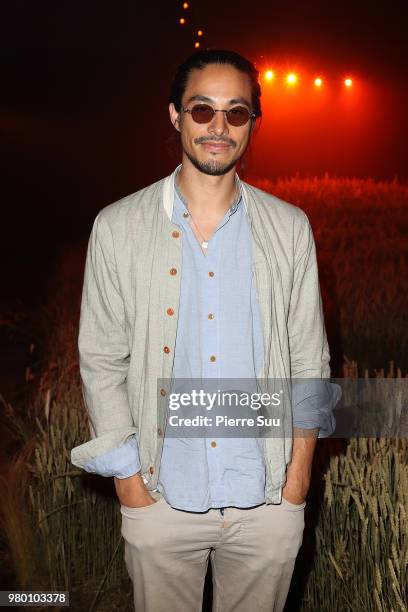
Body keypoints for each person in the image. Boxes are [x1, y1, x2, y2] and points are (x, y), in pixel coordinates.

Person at [71, 49, 342, 612]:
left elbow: (309, 364)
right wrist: (131, 486)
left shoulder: (290, 229)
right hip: (161, 499)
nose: (219, 127)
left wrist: (295, 487)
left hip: (265, 503)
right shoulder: (118, 227)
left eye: (236, 113)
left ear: (252, 125)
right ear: (175, 116)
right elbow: (101, 360)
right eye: (202, 110)